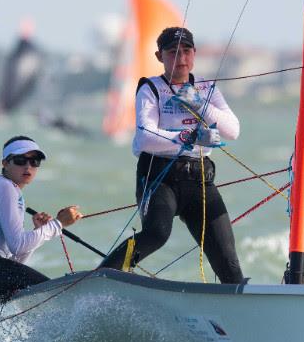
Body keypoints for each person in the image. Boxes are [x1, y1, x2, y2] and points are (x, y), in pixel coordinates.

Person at [98, 27, 244, 284]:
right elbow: (144, 137)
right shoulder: (150, 89)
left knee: (228, 261)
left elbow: (232, 130)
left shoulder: (207, 89)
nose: (181, 58)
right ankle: (101, 278)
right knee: (157, 233)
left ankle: (240, 311)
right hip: (159, 178)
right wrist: (185, 138)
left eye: (187, 51)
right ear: (159, 56)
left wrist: (199, 104)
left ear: (194, 54)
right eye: (173, 52)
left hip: (199, 179)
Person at [0, 135, 81, 304]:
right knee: (58, 298)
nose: (28, 166)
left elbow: (15, 260)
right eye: (20, 160)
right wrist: (59, 223)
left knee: (49, 300)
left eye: (35, 161)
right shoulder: (4, 187)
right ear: (5, 163)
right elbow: (18, 245)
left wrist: (37, 232)